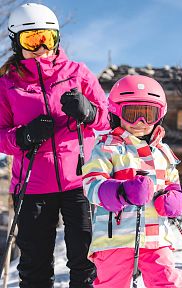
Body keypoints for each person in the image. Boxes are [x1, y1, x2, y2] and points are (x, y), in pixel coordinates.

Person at [0, 3, 109, 287]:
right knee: (34, 267)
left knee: (86, 263)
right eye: (30, 40)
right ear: (16, 42)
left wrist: (90, 112)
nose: (40, 47)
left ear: (56, 39)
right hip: (32, 186)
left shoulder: (78, 72)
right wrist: (23, 136)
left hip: (80, 183)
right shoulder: (7, 84)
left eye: (45, 38)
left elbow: (108, 119)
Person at [82, 75, 182, 287]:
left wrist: (175, 200)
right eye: (132, 114)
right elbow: (91, 184)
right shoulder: (107, 147)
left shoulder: (163, 151)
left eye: (148, 115)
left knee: (167, 281)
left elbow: (174, 184)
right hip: (115, 239)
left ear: (159, 116)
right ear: (116, 112)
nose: (140, 123)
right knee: (112, 284)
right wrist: (122, 192)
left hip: (155, 238)